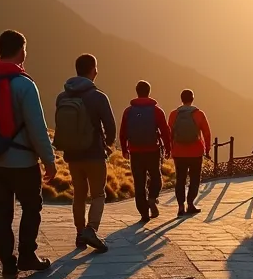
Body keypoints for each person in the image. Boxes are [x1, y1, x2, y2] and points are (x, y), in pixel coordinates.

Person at [0, 30, 57, 279]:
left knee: (1, 214)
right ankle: (27, 255)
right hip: (22, 162)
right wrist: (49, 160)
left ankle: (8, 266)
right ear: (22, 51)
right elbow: (37, 127)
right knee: (32, 207)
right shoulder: (24, 85)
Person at [53, 53, 115, 253]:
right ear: (93, 70)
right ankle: (91, 229)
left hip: (72, 155)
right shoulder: (98, 97)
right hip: (94, 153)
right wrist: (108, 144)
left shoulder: (62, 97)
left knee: (79, 194)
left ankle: (80, 234)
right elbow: (110, 127)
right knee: (98, 194)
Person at [120, 80, 171, 224]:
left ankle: (144, 214)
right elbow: (165, 131)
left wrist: (124, 149)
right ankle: (153, 198)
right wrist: (168, 148)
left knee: (139, 183)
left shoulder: (128, 111)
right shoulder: (156, 111)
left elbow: (123, 132)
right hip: (152, 150)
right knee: (156, 177)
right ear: (149, 91)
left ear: (137, 92)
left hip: (135, 151)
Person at [169, 89, 213, 217]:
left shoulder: (173, 114)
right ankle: (190, 204)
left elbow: (169, 133)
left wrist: (170, 149)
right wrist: (207, 149)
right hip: (196, 152)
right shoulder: (199, 114)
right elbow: (207, 133)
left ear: (181, 99)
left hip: (178, 152)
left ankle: (180, 206)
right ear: (192, 99)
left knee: (180, 179)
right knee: (194, 179)